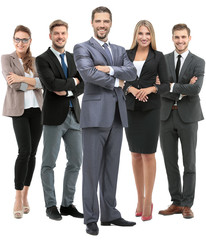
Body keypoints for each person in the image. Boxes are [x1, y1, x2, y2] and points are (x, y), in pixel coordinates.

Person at [73, 6, 137, 236]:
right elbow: (88, 73)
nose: (102, 25)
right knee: (91, 170)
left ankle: (110, 214)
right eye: (98, 21)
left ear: (111, 23)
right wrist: (117, 81)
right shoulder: (82, 47)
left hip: (117, 116)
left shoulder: (120, 50)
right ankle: (91, 218)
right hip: (94, 117)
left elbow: (132, 73)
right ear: (92, 23)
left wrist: (110, 68)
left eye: (106, 21)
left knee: (111, 169)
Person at [35, 20, 84, 221]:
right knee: (49, 162)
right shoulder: (42, 59)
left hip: (75, 117)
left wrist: (67, 88)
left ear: (67, 34)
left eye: (63, 33)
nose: (60, 37)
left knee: (76, 161)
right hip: (54, 118)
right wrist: (72, 82)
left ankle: (67, 204)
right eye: (56, 33)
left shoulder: (74, 58)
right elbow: (51, 83)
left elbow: (84, 85)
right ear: (50, 36)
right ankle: (50, 205)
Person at [123, 20, 170, 221]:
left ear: (152, 36)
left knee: (148, 154)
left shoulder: (158, 57)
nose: (144, 37)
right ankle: (140, 199)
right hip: (130, 108)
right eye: (141, 33)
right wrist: (132, 89)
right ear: (136, 35)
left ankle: (149, 199)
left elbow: (166, 84)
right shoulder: (125, 55)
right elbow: (119, 80)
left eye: (147, 34)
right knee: (134, 154)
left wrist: (150, 89)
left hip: (151, 109)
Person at [158, 23, 205, 219]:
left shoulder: (198, 62)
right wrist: (181, 89)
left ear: (189, 38)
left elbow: (196, 89)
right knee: (170, 162)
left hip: (188, 118)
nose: (180, 41)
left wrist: (170, 86)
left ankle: (187, 204)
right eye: (177, 37)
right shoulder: (163, 59)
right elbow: (157, 88)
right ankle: (176, 202)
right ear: (172, 38)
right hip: (165, 116)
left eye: (183, 37)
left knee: (189, 163)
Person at [1, 25, 43, 219]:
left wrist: (28, 80)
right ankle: (17, 197)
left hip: (38, 110)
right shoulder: (6, 59)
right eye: (17, 39)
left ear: (30, 41)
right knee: (24, 151)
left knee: (33, 153)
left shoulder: (35, 61)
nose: (21, 43)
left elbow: (44, 83)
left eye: (24, 39)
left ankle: (26, 195)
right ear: (13, 40)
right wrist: (30, 82)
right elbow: (14, 84)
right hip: (19, 111)